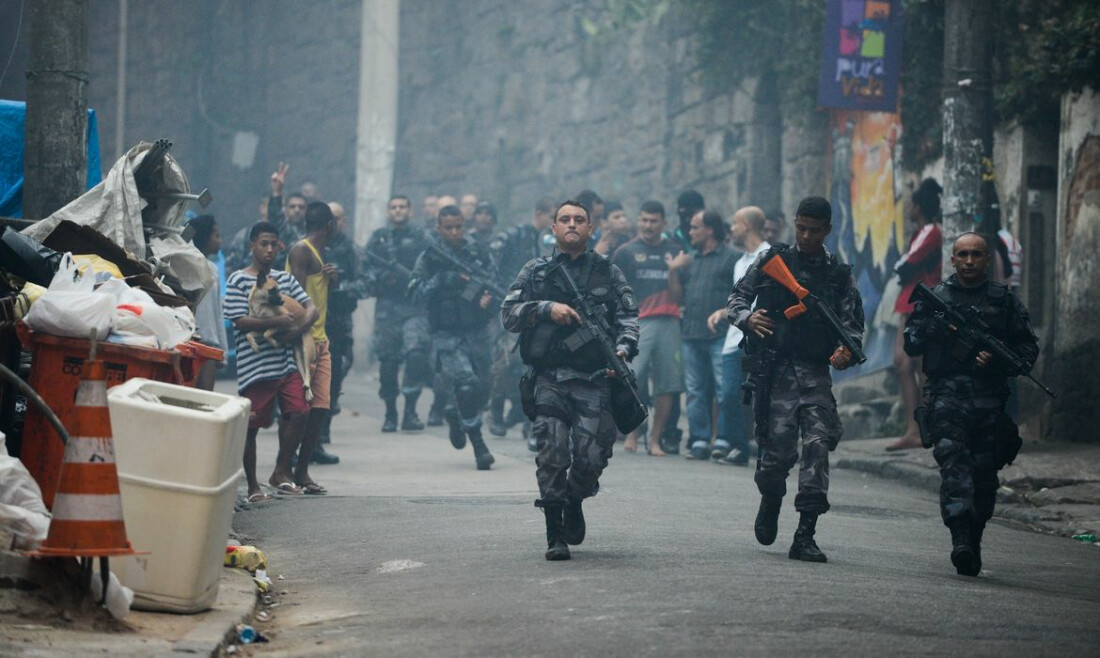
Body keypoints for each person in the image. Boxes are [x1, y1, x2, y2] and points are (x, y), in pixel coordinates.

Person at [727, 196, 864, 563]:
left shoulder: (838, 274)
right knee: (776, 457)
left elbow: (852, 327)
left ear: (827, 230)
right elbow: (736, 301)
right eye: (801, 228)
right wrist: (748, 319)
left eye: (814, 231)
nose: (806, 236)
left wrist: (845, 351)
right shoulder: (774, 260)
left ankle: (806, 532)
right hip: (775, 372)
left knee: (818, 445)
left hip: (816, 374)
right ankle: (771, 499)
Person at [501, 199, 639, 561]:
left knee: (593, 455)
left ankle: (575, 498)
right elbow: (508, 314)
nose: (572, 225)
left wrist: (624, 348)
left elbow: (628, 317)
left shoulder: (607, 271)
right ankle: (554, 533)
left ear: (591, 229)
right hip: (549, 377)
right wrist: (547, 309)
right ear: (554, 229)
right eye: (565, 220)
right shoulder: (536, 272)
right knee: (552, 451)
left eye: (580, 220)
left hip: (594, 379)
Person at [902, 232, 1038, 576]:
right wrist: (936, 327)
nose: (969, 261)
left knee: (984, 477)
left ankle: (973, 537)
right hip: (946, 399)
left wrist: (996, 361)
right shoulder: (937, 298)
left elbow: (1026, 352)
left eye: (976, 255)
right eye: (962, 254)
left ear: (986, 259)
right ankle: (960, 534)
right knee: (954, 464)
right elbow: (911, 344)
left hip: (990, 403)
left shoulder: (1003, 302)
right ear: (952, 260)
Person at [224, 222, 319, 502]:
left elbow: (310, 308)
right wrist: (276, 320)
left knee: (300, 412)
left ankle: (281, 470)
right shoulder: (238, 280)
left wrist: (296, 331)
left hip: (285, 362)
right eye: (263, 243)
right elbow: (239, 321)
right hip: (254, 365)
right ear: (252, 245)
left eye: (273, 244)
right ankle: (253, 485)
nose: (269, 249)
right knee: (251, 426)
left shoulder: (284, 280)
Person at [407, 205, 499, 470]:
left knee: (483, 389)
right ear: (439, 228)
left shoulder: (478, 252)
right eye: (449, 228)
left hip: (478, 331)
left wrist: (488, 298)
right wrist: (443, 280)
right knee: (466, 384)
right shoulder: (430, 257)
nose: (455, 232)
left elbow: (493, 281)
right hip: (447, 335)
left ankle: (457, 415)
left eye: (459, 226)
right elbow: (413, 293)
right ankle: (480, 446)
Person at [611, 200, 684, 456]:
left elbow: (679, 296)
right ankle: (633, 432)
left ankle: (656, 439)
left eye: (653, 221)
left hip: (669, 321)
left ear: (664, 223)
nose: (648, 225)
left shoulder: (676, 250)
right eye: (644, 220)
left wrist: (674, 271)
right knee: (633, 379)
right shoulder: (625, 252)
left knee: (668, 383)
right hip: (637, 323)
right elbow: (615, 293)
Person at [487, 197, 557, 445]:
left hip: (539, 311)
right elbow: (491, 262)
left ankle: (529, 420)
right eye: (551, 217)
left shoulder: (551, 244)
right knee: (505, 361)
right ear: (539, 214)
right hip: (511, 308)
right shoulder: (514, 236)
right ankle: (495, 409)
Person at [363, 195, 433, 432]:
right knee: (388, 362)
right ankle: (391, 412)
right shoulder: (379, 239)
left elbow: (435, 263)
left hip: (414, 306)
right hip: (387, 307)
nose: (398, 210)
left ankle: (410, 410)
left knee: (416, 354)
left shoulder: (422, 237)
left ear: (410, 211)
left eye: (402, 206)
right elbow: (365, 269)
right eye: (393, 207)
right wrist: (382, 277)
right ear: (388, 211)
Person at [707, 206, 770, 465]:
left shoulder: (769, 256)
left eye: (734, 223)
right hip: (734, 341)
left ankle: (767, 449)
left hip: (759, 339)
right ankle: (740, 447)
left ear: (745, 225)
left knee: (762, 394)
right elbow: (741, 299)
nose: (731, 228)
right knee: (731, 393)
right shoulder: (741, 262)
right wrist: (725, 312)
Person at [285, 202, 341, 481]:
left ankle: (302, 472)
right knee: (299, 410)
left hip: (321, 339)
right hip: (304, 340)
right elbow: (295, 298)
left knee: (319, 408)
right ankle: (283, 470)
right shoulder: (301, 251)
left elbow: (317, 292)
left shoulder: (320, 253)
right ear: (330, 225)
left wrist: (333, 280)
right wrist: (300, 333)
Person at [887, 178, 943, 451]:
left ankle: (924, 427)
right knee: (903, 362)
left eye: (910, 203)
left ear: (918, 207)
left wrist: (903, 266)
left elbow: (906, 264)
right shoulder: (921, 233)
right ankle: (915, 427)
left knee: (919, 364)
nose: (907, 207)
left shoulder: (931, 232)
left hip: (920, 301)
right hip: (910, 300)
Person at [678, 210, 739, 460]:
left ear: (710, 230)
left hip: (720, 335)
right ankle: (699, 440)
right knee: (695, 392)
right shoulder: (692, 260)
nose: (690, 232)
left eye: (694, 227)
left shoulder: (732, 258)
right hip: (691, 334)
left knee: (724, 390)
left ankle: (723, 439)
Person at [320, 202, 364, 452]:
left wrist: (338, 286)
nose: (332, 224)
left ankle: (325, 423)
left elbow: (366, 282)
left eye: (336, 218)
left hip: (340, 323)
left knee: (336, 375)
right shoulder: (312, 246)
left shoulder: (351, 250)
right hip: (315, 321)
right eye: (328, 218)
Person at [188, 215, 228, 391]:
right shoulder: (186, 264)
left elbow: (217, 313)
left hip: (210, 344)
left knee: (205, 396)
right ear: (204, 238)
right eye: (216, 236)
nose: (220, 241)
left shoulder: (213, 270)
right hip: (190, 340)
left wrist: (222, 350)